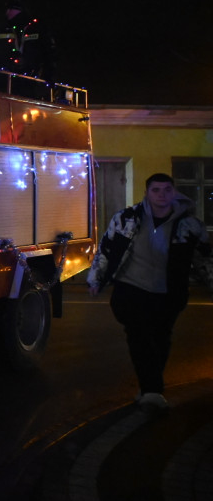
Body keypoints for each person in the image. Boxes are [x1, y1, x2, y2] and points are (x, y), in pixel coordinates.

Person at [87, 173, 211, 415]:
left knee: (161, 338)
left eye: (166, 190)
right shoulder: (126, 219)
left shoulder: (189, 226)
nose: (162, 195)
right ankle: (153, 390)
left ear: (174, 193)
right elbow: (106, 248)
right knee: (139, 334)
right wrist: (96, 278)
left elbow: (204, 259)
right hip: (130, 289)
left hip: (168, 292)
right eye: (156, 190)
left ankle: (148, 390)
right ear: (147, 193)